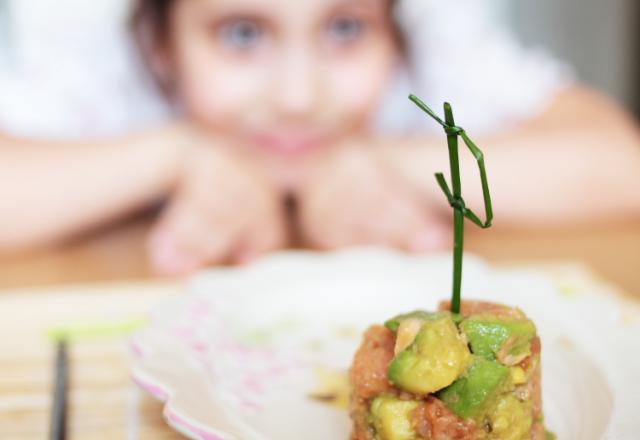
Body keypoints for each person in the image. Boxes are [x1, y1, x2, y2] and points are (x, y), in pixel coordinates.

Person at [0, 0, 638, 275]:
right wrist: (178, 153)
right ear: (161, 47)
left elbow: (622, 166)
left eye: (344, 28)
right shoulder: (99, 73)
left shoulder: (434, 62)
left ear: (395, 26)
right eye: (242, 34)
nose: (298, 99)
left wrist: (386, 163)